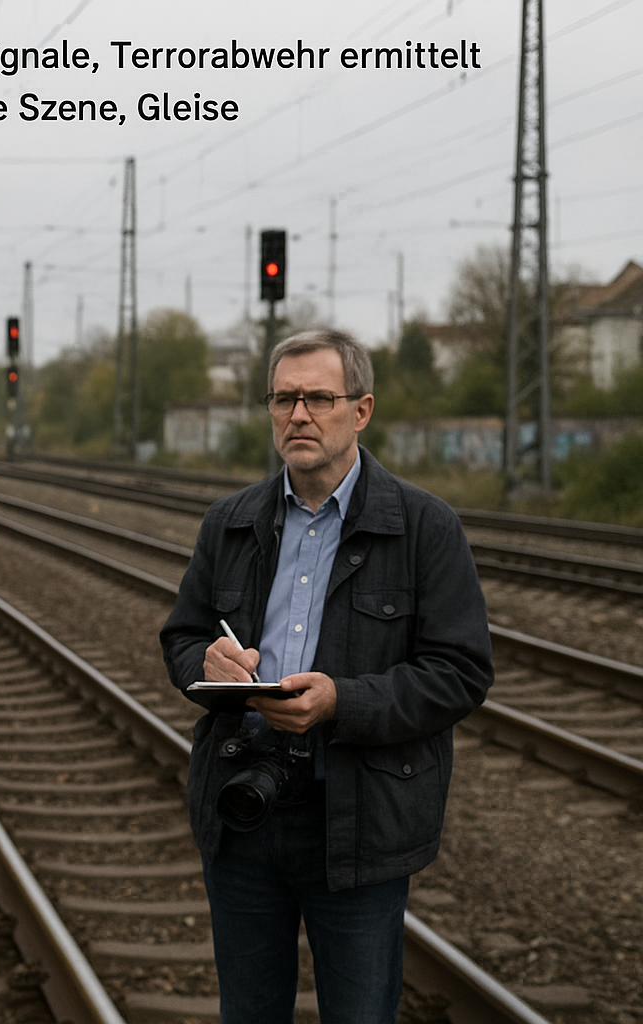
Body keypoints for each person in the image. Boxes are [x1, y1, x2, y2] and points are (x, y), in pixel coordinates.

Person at [160, 328, 493, 1024]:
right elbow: (184, 638)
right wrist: (208, 666)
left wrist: (343, 701)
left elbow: (459, 672)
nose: (299, 415)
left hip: (360, 823)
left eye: (318, 397)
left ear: (361, 411)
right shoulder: (231, 523)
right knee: (248, 1012)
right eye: (284, 399)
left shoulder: (426, 528)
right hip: (241, 811)